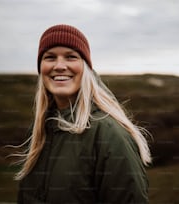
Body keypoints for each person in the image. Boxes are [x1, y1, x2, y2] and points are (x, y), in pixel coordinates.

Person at [16, 24, 152, 203]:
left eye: (71, 57)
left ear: (86, 67)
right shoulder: (40, 131)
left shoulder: (108, 134)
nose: (59, 66)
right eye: (50, 57)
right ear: (41, 68)